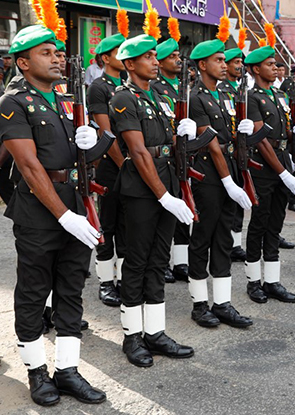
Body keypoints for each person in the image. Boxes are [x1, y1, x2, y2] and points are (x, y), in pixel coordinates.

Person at [0, 24, 106, 406]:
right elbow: (29, 166)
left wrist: (93, 137)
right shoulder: (12, 101)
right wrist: (64, 216)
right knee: (32, 294)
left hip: (76, 203)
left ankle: (67, 370)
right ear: (23, 62)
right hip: (41, 214)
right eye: (46, 52)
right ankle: (36, 372)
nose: (57, 57)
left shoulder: (63, 99)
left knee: (71, 289)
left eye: (58, 52)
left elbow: (76, 158)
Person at [110, 33, 195, 367]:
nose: (155, 61)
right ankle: (132, 336)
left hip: (167, 179)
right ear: (130, 64)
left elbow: (163, 142)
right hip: (142, 189)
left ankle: (155, 332)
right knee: (137, 261)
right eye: (147, 57)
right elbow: (138, 150)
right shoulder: (123, 97)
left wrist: (182, 134)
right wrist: (163, 195)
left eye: (155, 56)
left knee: (158, 260)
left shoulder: (158, 95)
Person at [184, 38, 255, 328]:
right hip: (209, 177)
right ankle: (200, 304)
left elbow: (227, 138)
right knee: (203, 238)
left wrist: (243, 131)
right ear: (202, 64)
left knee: (224, 238)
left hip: (229, 171)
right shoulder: (195, 97)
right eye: (218, 60)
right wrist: (227, 181)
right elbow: (211, 142)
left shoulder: (225, 93)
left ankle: (223, 303)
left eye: (225, 60)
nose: (224, 65)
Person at [243, 43, 295, 304]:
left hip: (281, 160)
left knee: (276, 223)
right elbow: (260, 138)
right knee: (259, 222)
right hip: (264, 167)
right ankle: (253, 281)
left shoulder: (278, 96)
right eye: (269, 65)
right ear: (256, 69)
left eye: (275, 64)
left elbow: (282, 133)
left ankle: (272, 280)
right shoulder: (252, 97)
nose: (275, 68)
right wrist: (282, 173)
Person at [88, 33, 128, 307]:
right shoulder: (99, 88)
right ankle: (105, 281)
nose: (125, 57)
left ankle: (125, 278)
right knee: (108, 226)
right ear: (105, 58)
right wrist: (124, 164)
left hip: (133, 166)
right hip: (113, 168)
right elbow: (106, 133)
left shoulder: (128, 86)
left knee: (128, 225)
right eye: (119, 52)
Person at [151, 37, 190, 284]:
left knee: (184, 209)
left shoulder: (184, 87)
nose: (178, 60)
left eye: (179, 56)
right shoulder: (155, 88)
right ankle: (162, 261)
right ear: (161, 63)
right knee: (163, 212)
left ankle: (181, 262)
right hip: (166, 157)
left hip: (185, 156)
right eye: (172, 57)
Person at [219, 47, 248, 262]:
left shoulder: (240, 89)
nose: (239, 66)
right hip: (223, 152)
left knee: (239, 201)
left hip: (238, 152)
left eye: (240, 62)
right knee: (224, 204)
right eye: (235, 62)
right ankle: (225, 243)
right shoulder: (222, 89)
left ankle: (235, 243)